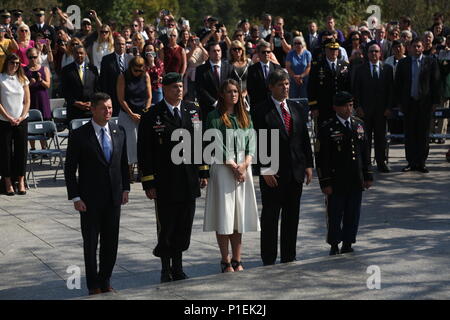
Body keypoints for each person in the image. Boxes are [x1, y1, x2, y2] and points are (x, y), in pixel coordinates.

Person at [137, 72, 209, 283]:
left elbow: (200, 142)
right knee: (167, 226)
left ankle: (178, 266)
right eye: (174, 87)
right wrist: (149, 182)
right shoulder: (152, 114)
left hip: (188, 178)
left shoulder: (193, 110)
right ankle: (166, 268)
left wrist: (203, 171)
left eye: (180, 86)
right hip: (165, 181)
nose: (179, 90)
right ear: (165, 89)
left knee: (184, 226)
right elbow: (145, 151)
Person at [64, 92, 130, 295]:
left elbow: (123, 163)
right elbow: (69, 168)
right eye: (103, 108)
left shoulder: (119, 131)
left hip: (114, 197)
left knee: (111, 242)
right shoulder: (79, 135)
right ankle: (93, 284)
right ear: (92, 109)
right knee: (91, 243)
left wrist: (125, 188)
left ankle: (106, 279)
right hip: (89, 199)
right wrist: (75, 197)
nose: (108, 111)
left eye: (110, 108)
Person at [253, 69, 313, 265]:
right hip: (273, 173)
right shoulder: (261, 111)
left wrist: (308, 165)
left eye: (287, 84)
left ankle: (289, 254)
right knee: (271, 217)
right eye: (280, 84)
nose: (285, 88)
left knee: (292, 216)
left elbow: (304, 138)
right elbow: (259, 141)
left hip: (295, 172)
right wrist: (265, 169)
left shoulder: (296, 109)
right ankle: (268, 257)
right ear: (271, 87)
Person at [204, 79, 260, 273]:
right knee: (224, 215)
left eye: (236, 91)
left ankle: (237, 258)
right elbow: (215, 144)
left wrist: (244, 164)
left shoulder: (245, 116)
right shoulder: (214, 116)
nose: (233, 95)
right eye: (229, 92)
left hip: (243, 169)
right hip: (223, 169)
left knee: (238, 216)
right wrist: (234, 166)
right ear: (221, 94)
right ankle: (225, 260)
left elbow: (251, 142)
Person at [315, 91, 373, 255]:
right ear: (336, 108)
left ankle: (348, 241)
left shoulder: (358, 124)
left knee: (353, 213)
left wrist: (367, 174)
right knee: (335, 214)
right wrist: (325, 182)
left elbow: (365, 151)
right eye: (345, 106)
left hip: (355, 178)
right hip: (336, 179)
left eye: (351, 105)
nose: (349, 109)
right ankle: (334, 243)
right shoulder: (327, 127)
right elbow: (321, 157)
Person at [395, 39, 441, 173]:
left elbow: (435, 83)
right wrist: (399, 103)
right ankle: (411, 162)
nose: (416, 48)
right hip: (409, 103)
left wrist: (435, 102)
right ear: (409, 48)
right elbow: (398, 84)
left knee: (423, 134)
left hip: (424, 104)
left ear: (422, 48)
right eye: (414, 46)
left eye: (419, 46)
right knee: (409, 134)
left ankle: (421, 162)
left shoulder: (430, 62)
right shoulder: (403, 63)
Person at [353, 44, 394, 173]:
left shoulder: (387, 68)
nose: (374, 54)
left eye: (376, 51)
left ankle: (381, 162)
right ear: (367, 54)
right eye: (371, 51)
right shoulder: (360, 69)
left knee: (380, 138)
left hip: (381, 111)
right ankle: (366, 164)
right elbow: (356, 90)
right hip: (364, 111)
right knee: (365, 139)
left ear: (380, 53)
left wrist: (389, 107)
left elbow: (390, 90)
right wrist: (357, 107)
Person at [117, 56, 152, 182]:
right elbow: (121, 99)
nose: (138, 72)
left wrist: (145, 112)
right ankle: (129, 171)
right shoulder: (123, 76)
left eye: (140, 70)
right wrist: (131, 114)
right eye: (136, 70)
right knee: (129, 143)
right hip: (127, 113)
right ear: (131, 67)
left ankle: (142, 170)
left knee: (142, 143)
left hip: (142, 114)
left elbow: (149, 97)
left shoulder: (146, 76)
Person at [0, 53, 30, 196]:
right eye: (12, 63)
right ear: (7, 63)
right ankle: (7, 182)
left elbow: (27, 101)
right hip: (5, 120)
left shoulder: (22, 79)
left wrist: (22, 116)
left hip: (21, 120)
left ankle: (21, 180)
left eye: (18, 63)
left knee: (21, 151)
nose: (15, 65)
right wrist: (9, 117)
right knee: (5, 152)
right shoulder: (1, 78)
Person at [308, 39, 351, 127]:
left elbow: (349, 86)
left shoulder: (345, 65)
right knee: (325, 132)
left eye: (336, 49)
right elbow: (311, 87)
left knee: (342, 132)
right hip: (324, 106)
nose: (334, 52)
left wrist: (349, 104)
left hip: (341, 106)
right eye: (331, 49)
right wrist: (313, 106)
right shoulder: (317, 66)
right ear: (325, 50)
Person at [195, 42, 236, 121]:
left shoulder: (229, 67)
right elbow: (200, 89)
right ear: (209, 53)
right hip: (208, 108)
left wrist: (226, 101)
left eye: (218, 50)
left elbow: (232, 85)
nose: (217, 53)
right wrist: (214, 103)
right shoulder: (201, 69)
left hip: (227, 107)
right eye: (214, 51)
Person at [61, 45, 99, 121]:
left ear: (85, 54)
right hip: (74, 110)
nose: (79, 55)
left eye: (81, 53)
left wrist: (92, 102)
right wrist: (76, 103)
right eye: (77, 53)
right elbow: (64, 90)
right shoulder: (66, 70)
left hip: (91, 109)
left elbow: (97, 88)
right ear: (73, 54)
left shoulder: (93, 69)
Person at [24, 47, 51, 152]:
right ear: (27, 57)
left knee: (42, 123)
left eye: (35, 57)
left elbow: (48, 85)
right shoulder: (23, 70)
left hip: (42, 99)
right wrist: (29, 84)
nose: (33, 59)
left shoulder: (44, 69)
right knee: (31, 123)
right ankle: (33, 148)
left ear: (38, 56)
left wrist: (40, 80)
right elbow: (21, 87)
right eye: (30, 57)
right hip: (30, 99)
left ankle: (44, 148)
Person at [99, 36, 133, 117]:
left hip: (128, 97)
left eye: (123, 44)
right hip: (112, 96)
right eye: (118, 44)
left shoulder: (131, 59)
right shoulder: (106, 59)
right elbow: (103, 80)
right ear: (114, 45)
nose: (121, 46)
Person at [247, 41, 282, 115]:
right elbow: (250, 89)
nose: (266, 54)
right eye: (263, 52)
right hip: (258, 106)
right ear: (258, 54)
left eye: (268, 52)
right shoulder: (252, 69)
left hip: (274, 106)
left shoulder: (277, 68)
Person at [184, 36, 208, 102]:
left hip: (201, 74)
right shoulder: (186, 49)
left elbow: (207, 57)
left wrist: (201, 47)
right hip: (191, 75)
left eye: (196, 40)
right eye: (192, 40)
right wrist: (193, 49)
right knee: (191, 94)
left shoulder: (201, 49)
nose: (194, 42)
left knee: (202, 93)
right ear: (189, 42)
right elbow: (186, 58)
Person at [229, 40, 252, 106]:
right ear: (231, 51)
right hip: (233, 97)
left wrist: (245, 92)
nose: (237, 51)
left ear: (242, 50)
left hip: (247, 96)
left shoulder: (249, 62)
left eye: (239, 48)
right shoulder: (228, 64)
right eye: (234, 49)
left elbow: (253, 80)